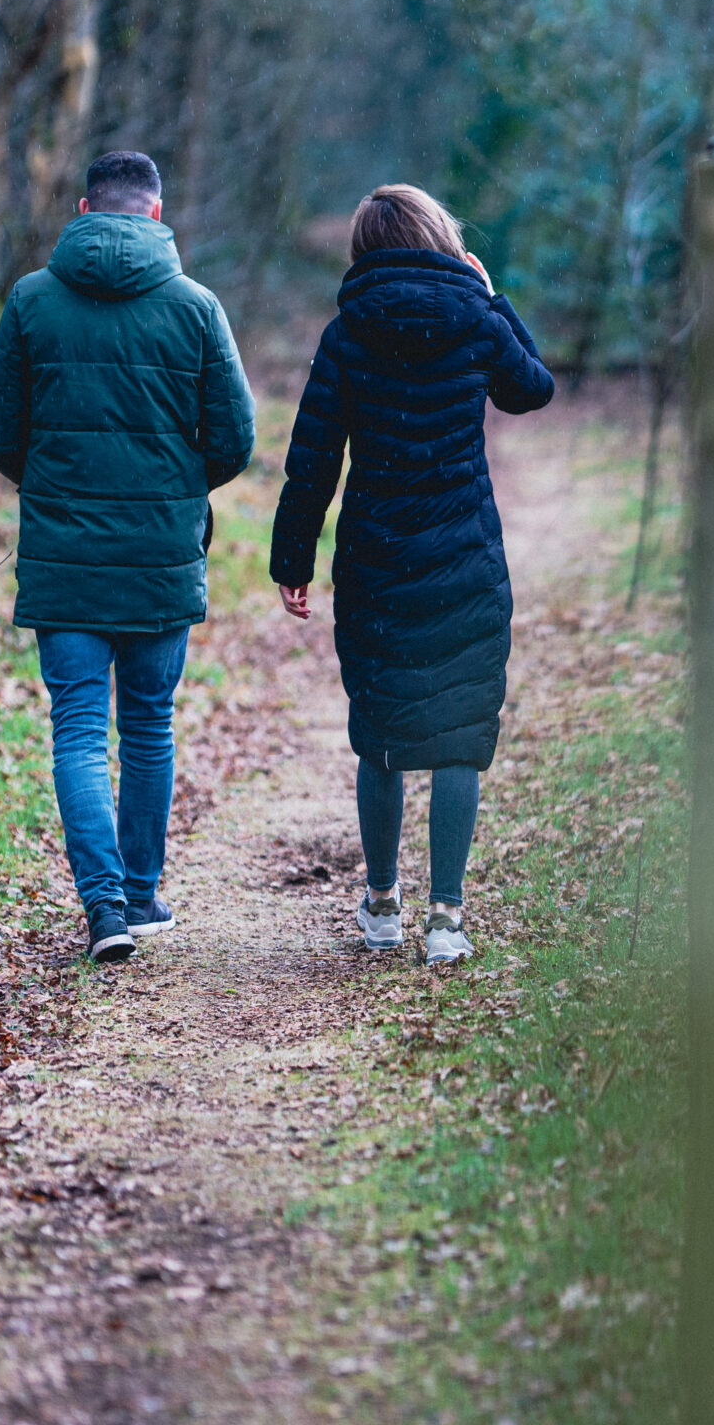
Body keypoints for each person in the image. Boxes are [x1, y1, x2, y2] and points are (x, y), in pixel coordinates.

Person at [0, 151, 256, 963]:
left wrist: (56, 488)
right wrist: (173, 491)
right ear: (156, 213)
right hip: (159, 555)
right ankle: (139, 895)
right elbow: (235, 440)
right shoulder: (196, 307)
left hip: (62, 553)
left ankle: (103, 910)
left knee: (77, 731)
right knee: (148, 726)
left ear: (83, 208)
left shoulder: (31, 300)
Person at [268, 184, 554, 964]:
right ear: (440, 238)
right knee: (460, 735)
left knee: (382, 733)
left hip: (376, 557)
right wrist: (494, 299)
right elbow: (533, 388)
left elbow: (313, 457)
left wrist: (292, 559)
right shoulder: (476, 320)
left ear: (364, 248)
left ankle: (382, 904)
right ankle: (447, 920)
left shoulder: (347, 331)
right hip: (464, 554)